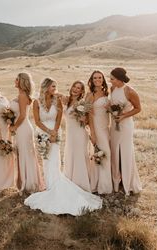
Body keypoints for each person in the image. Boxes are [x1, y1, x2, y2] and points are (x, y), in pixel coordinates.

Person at [24, 78, 102, 215]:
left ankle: (59, 184)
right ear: (46, 87)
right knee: (47, 159)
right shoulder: (39, 102)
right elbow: (37, 120)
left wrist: (54, 132)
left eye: (56, 86)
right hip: (43, 133)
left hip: (57, 132)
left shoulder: (59, 100)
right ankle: (50, 185)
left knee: (56, 158)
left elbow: (60, 119)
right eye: (53, 86)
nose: (55, 88)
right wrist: (48, 132)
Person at [9, 72, 44, 194]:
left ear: (21, 81)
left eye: (17, 79)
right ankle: (23, 181)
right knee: (22, 153)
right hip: (22, 127)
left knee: (25, 154)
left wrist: (14, 126)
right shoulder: (21, 94)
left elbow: (23, 115)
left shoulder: (23, 95)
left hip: (22, 127)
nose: (15, 80)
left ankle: (28, 184)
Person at [109, 67, 142, 195]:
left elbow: (138, 108)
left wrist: (123, 116)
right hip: (114, 124)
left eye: (112, 79)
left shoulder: (130, 91)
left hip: (126, 125)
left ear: (119, 79)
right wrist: (111, 112)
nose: (110, 81)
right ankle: (116, 181)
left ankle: (128, 181)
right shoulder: (112, 89)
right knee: (115, 151)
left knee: (125, 151)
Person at [86, 71, 113, 194]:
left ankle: (106, 182)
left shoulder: (107, 93)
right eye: (95, 78)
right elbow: (89, 115)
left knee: (106, 153)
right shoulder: (90, 95)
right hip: (96, 127)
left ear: (103, 79)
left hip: (106, 127)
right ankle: (102, 185)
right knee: (103, 153)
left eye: (100, 77)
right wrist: (93, 133)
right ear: (91, 80)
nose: (97, 79)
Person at [63, 80, 91, 191]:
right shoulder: (67, 100)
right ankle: (70, 179)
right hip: (70, 134)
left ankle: (81, 183)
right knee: (70, 154)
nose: (75, 89)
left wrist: (83, 118)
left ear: (81, 91)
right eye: (74, 86)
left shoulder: (82, 103)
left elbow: (87, 120)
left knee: (79, 156)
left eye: (78, 88)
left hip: (79, 133)